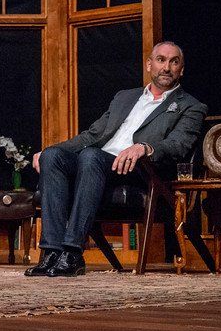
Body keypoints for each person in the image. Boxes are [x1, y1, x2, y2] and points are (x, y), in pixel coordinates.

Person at [26, 41, 207, 277]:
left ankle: (72, 253)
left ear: (181, 69)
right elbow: (92, 135)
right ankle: (51, 252)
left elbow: (178, 145)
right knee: (53, 157)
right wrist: (49, 150)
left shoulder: (191, 106)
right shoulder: (125, 97)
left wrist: (144, 147)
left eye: (174, 62)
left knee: (91, 156)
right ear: (149, 65)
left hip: (138, 171)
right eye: (161, 60)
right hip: (96, 164)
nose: (166, 67)